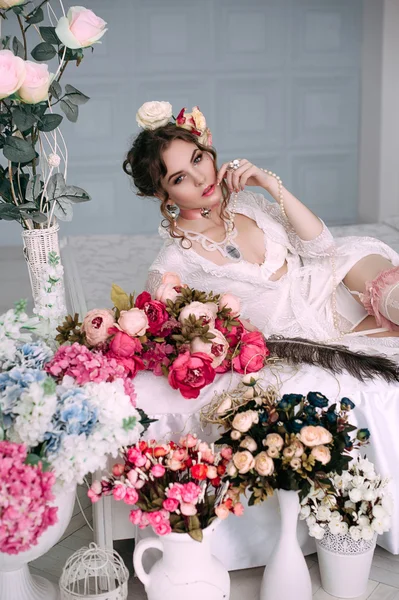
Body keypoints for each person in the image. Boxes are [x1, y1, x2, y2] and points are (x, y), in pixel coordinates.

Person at [123, 101, 399, 357]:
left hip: (335, 279)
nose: (199, 178)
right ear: (164, 195)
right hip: (305, 338)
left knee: (385, 286)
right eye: (180, 177)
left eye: (197, 159)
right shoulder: (172, 266)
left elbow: (322, 246)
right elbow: (174, 337)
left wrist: (270, 184)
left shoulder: (246, 203)